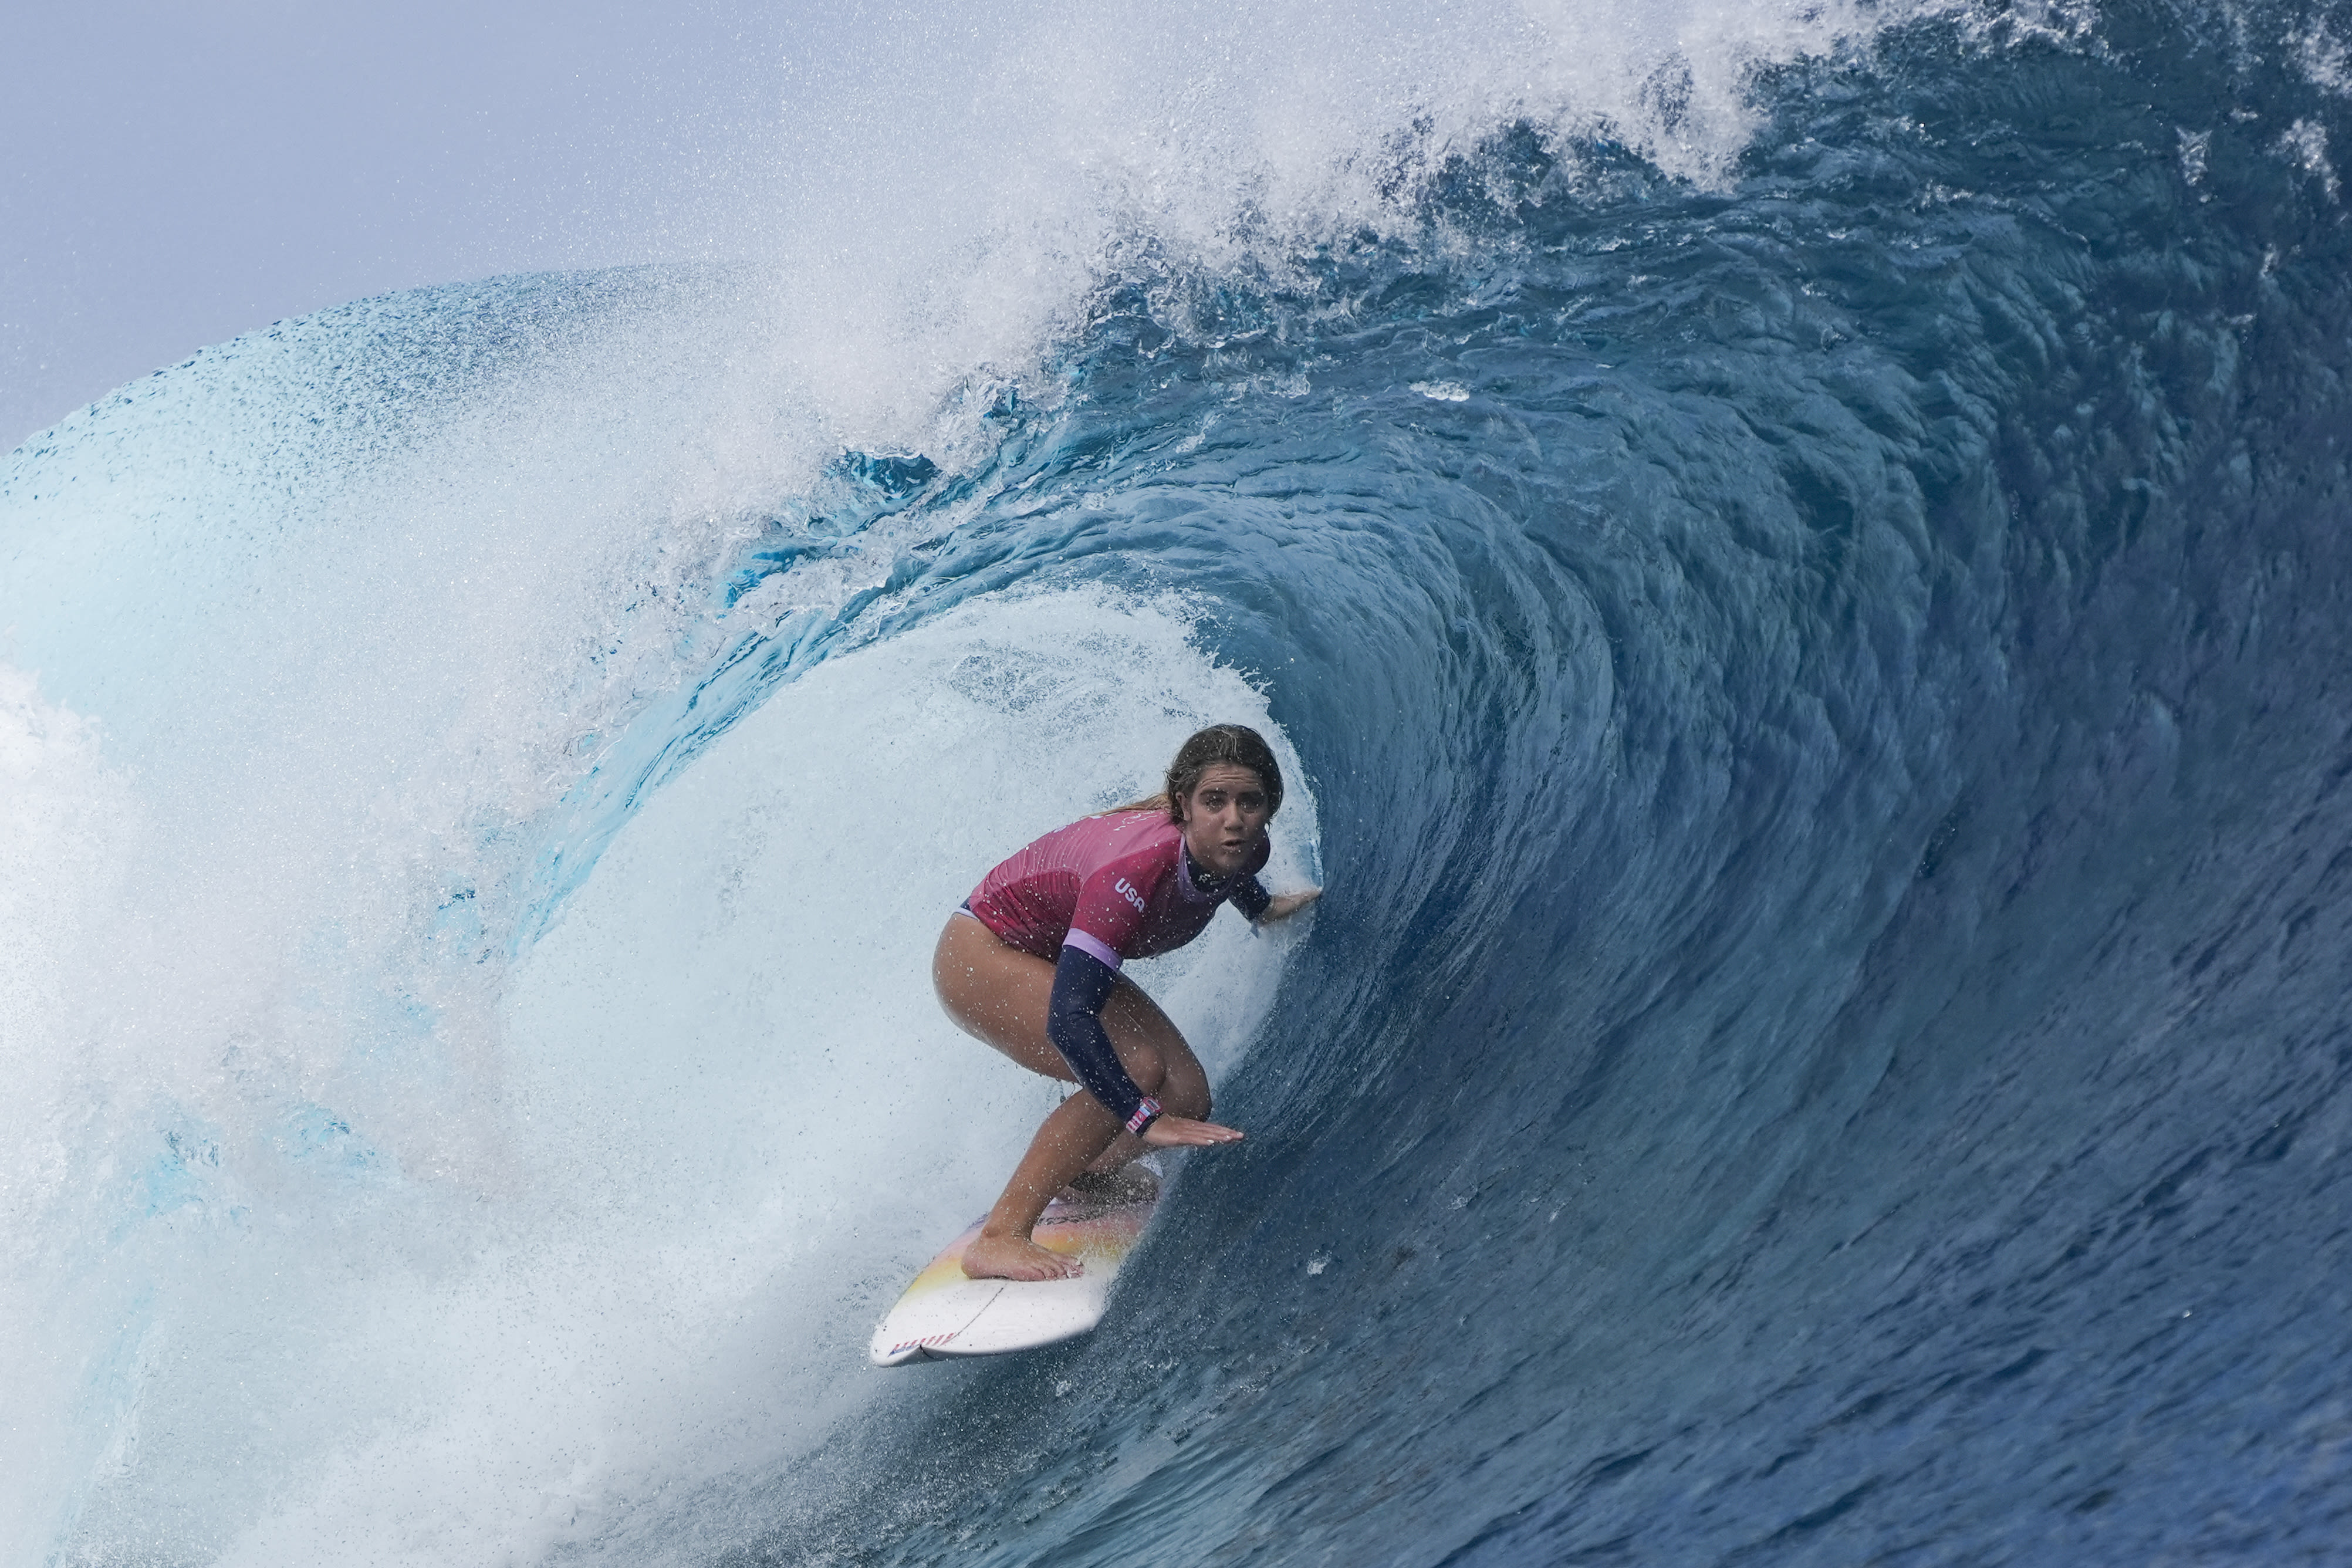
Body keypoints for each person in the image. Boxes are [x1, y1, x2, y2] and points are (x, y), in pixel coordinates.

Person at [934, 724, 1321, 1281]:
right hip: (982, 952)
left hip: (1050, 951)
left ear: (1268, 809)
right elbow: (1071, 1020)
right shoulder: (1132, 877)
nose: (1233, 818)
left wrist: (1262, 909)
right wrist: (1141, 1119)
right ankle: (1001, 1236)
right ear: (1184, 806)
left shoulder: (1244, 847)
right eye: (1215, 801)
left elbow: (1226, 873)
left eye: (1250, 803)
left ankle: (1081, 1173)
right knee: (1135, 1069)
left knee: (1187, 1095)